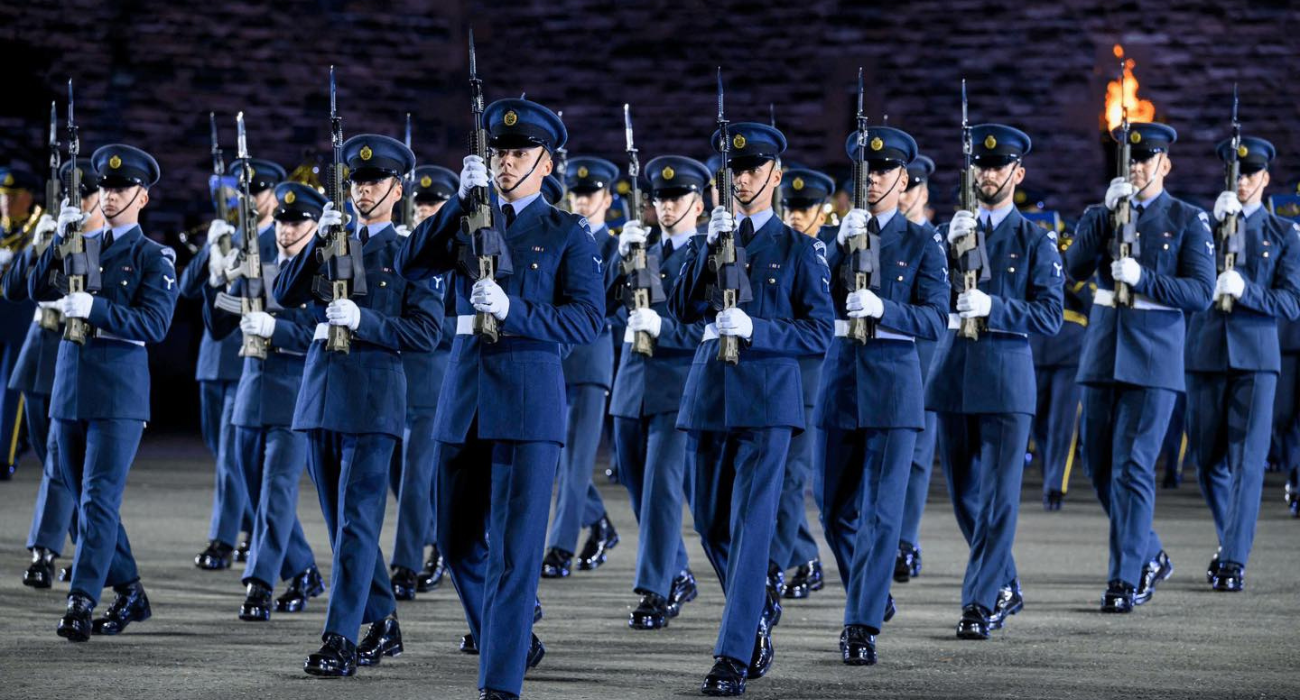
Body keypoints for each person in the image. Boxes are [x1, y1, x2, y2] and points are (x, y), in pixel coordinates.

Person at [397, 97, 604, 700]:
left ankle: (500, 683)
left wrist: (516, 310)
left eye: (519, 153)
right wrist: (462, 200)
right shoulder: (467, 218)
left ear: (546, 162)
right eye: (499, 152)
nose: (507, 162)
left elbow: (587, 320)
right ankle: (511, 636)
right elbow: (412, 263)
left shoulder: (567, 232)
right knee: (455, 539)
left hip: (527, 403)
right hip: (463, 401)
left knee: (515, 555)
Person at [669, 121, 832, 696]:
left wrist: (758, 328)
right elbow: (684, 308)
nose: (743, 178)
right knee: (712, 523)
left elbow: (818, 330)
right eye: (735, 170)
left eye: (754, 169)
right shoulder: (712, 238)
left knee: (751, 525)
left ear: (776, 175)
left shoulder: (797, 247)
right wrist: (708, 247)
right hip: (709, 394)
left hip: (767, 402)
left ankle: (733, 654)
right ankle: (758, 603)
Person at [273, 134, 440, 676]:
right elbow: (287, 294)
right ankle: (384, 621)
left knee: (357, 524)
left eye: (374, 182)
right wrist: (320, 237)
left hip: (373, 399)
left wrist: (365, 322)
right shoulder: (334, 236)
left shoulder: (413, 249)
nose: (363, 190)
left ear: (397, 189)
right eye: (356, 182)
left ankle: (341, 636)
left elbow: (426, 331)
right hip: (321, 393)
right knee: (340, 522)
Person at [1064, 122, 1214, 613]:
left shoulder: (1188, 219)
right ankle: (1148, 552)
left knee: (1132, 467)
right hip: (1105, 349)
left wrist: (1145, 278)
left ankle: (1125, 578)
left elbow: (1199, 291)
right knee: (1098, 465)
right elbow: (1075, 269)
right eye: (1131, 159)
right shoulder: (1100, 213)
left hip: (1153, 356)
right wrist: (1106, 215)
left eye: (1147, 158)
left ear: (1165, 164)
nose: (1137, 166)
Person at [30, 145, 179, 641]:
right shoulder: (81, 244)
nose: (109, 197)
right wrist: (58, 238)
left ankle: (81, 599)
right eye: (104, 189)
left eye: (120, 189)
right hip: (70, 388)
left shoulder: (153, 255)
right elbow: (31, 288)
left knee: (96, 497)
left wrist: (95, 309)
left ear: (143, 197)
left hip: (118, 394)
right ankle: (131, 589)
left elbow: (155, 324)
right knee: (81, 500)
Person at [817, 126, 948, 664]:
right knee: (833, 512)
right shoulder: (839, 236)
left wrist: (885, 310)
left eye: (884, 171)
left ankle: (860, 623)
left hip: (894, 386)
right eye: (865, 173)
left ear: (903, 179)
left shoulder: (922, 243)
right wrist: (834, 246)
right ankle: (868, 591)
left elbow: (937, 318)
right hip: (842, 381)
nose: (872, 180)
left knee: (879, 514)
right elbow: (808, 298)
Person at [928, 124, 1063, 639]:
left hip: (1006, 378)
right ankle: (1004, 580)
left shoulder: (1034, 239)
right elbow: (926, 294)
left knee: (1000, 496)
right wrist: (945, 245)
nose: (988, 174)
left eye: (998, 166)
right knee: (964, 494)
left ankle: (980, 602)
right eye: (981, 166)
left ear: (1017, 173)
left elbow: (1051, 314)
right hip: (955, 374)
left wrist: (996, 306)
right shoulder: (951, 233)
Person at [202, 181, 326, 620]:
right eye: (283, 222)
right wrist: (218, 277)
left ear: (315, 226)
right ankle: (305, 570)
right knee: (256, 495)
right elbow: (218, 325)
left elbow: (326, 331)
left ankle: (258, 583)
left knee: (275, 493)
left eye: (298, 223)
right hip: (252, 391)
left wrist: (278, 330)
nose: (287, 231)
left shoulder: (324, 269)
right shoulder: (259, 263)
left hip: (295, 393)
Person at [1185, 135, 1300, 591]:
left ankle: (1233, 560)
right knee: (1208, 460)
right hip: (1206, 352)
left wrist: (1246, 289)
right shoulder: (1204, 226)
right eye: (1236, 175)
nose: (1244, 181)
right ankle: (1229, 538)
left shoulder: (1283, 233)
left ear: (1266, 179)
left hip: (1255, 356)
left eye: (1251, 174)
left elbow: (1291, 303)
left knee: (1248, 462)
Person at [607, 154, 709, 629]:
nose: (668, 207)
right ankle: (678, 570)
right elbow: (600, 304)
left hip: (678, 385)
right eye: (661, 199)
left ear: (699, 202)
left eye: (678, 198)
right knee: (635, 482)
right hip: (632, 385)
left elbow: (713, 327)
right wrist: (616, 258)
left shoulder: (709, 253)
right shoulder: (639, 246)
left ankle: (657, 589)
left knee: (663, 490)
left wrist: (664, 328)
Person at [183, 158, 285, 570]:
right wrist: (213, 247)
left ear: (273, 196)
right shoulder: (226, 236)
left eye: (257, 192)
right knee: (223, 451)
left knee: (231, 455)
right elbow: (190, 288)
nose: (249, 200)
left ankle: (223, 540)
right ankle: (248, 528)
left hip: (247, 358)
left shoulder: (276, 238)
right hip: (213, 358)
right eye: (244, 193)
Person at [7, 161, 100, 587]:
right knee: (56, 462)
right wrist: (40, 246)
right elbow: (12, 289)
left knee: (62, 463)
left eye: (84, 196)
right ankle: (85, 546)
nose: (77, 204)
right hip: (41, 357)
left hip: (82, 360)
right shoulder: (53, 232)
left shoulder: (104, 243)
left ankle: (46, 551)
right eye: (69, 196)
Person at [541, 156, 621, 578]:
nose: (583, 201)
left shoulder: (616, 246)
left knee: (575, 460)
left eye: (591, 194)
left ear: (607, 198)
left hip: (589, 359)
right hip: (557, 354)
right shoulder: (561, 237)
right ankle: (601, 524)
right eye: (577, 194)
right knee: (553, 457)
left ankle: (560, 547)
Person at [774, 165, 835, 598]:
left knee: (793, 476)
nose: (797, 215)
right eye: (792, 207)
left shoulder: (833, 248)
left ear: (823, 211)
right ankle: (803, 555)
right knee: (775, 476)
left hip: (812, 373)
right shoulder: (781, 246)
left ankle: (784, 561)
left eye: (806, 208)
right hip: (775, 369)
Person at [895, 153, 939, 581]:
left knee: (918, 455)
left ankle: (905, 540)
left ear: (923, 192)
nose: (904, 196)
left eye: (911, 188)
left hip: (924, 354)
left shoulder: (933, 241)